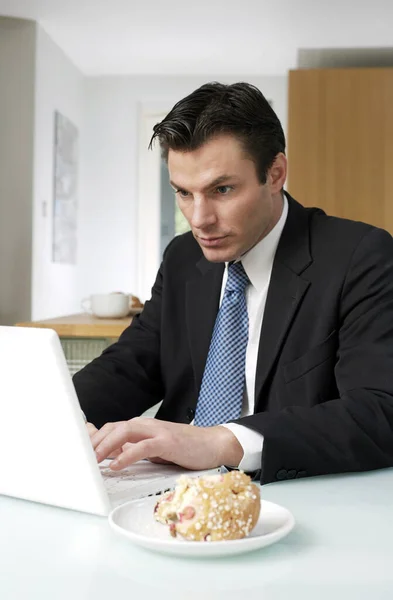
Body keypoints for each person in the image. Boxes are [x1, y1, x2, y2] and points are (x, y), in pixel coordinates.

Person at [73, 82, 393, 485]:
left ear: (275, 173)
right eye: (184, 193)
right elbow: (133, 364)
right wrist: (60, 416)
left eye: (221, 190)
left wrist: (222, 442)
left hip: (292, 492)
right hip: (166, 492)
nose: (199, 219)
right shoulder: (182, 257)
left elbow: (379, 410)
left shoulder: (359, 256)